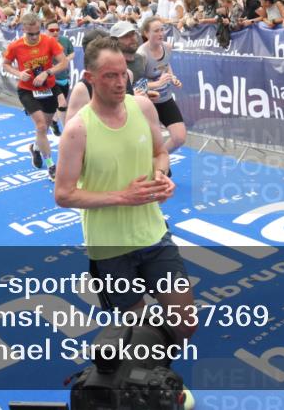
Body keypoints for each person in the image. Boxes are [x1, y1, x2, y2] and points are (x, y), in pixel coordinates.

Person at [53, 37, 196, 385]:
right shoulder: (77, 130)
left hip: (153, 234)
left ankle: (154, 377)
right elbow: (63, 194)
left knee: (184, 321)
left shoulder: (143, 108)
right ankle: (149, 387)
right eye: (109, 76)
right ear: (90, 77)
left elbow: (160, 152)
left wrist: (162, 176)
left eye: (123, 75)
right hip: (110, 247)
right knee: (136, 335)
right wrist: (122, 196)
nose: (119, 83)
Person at [2, 12, 68, 180]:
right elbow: (5, 64)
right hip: (27, 90)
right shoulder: (15, 46)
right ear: (23, 29)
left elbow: (64, 62)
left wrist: (47, 72)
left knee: (44, 128)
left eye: (37, 33)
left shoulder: (49, 41)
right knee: (40, 126)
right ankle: (51, 165)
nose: (34, 37)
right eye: (30, 34)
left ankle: (36, 148)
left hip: (48, 88)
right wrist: (18, 73)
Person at [138, 17, 186, 153]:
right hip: (148, 103)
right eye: (156, 31)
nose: (161, 33)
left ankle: (158, 158)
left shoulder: (167, 47)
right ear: (146, 33)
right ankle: (154, 162)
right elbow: (136, 85)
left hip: (165, 99)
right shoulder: (141, 55)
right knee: (151, 141)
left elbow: (165, 65)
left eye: (162, 30)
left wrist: (172, 77)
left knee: (179, 138)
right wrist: (158, 83)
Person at [47, 22, 74, 131]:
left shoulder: (65, 40)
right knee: (62, 103)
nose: (55, 32)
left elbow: (72, 53)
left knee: (60, 105)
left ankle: (53, 122)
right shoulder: (44, 42)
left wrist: (66, 60)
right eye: (52, 30)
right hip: (51, 79)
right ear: (46, 30)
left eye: (57, 29)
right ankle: (67, 131)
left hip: (64, 77)